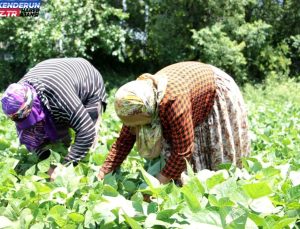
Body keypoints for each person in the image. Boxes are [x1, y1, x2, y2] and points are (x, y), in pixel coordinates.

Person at [98, 61, 250, 184]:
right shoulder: (136, 103)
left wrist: (158, 183)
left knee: (212, 165)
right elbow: (124, 141)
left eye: (139, 124)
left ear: (150, 112)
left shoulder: (173, 101)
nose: (136, 129)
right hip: (188, 91)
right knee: (176, 169)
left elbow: (183, 150)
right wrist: (103, 171)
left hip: (214, 91)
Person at [1, 58, 107, 179]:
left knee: (88, 141)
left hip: (88, 81)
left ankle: (90, 175)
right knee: (60, 139)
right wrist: (48, 168)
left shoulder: (59, 97)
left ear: (34, 105)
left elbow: (87, 131)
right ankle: (64, 154)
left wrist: (65, 167)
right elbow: (31, 141)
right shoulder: (16, 99)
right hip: (55, 78)